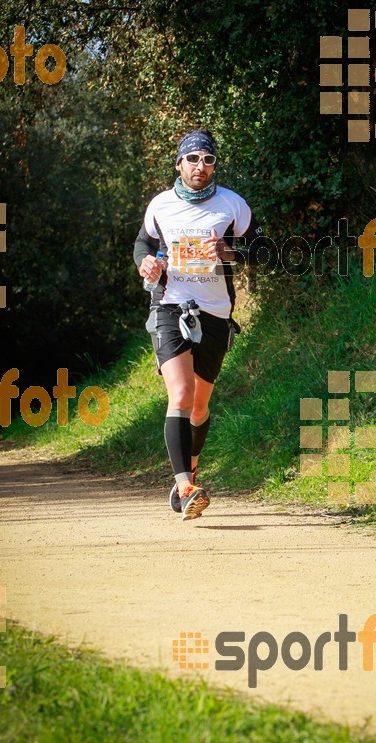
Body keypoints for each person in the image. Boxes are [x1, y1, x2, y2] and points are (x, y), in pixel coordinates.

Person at [133, 127, 264, 521]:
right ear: (179, 164)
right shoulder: (160, 205)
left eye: (208, 160)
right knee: (182, 393)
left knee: (200, 406)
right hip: (170, 305)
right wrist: (146, 261)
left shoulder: (233, 205)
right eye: (193, 159)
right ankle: (185, 485)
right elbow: (143, 243)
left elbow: (261, 248)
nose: (200, 166)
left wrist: (230, 250)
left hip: (216, 313)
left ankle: (188, 472)